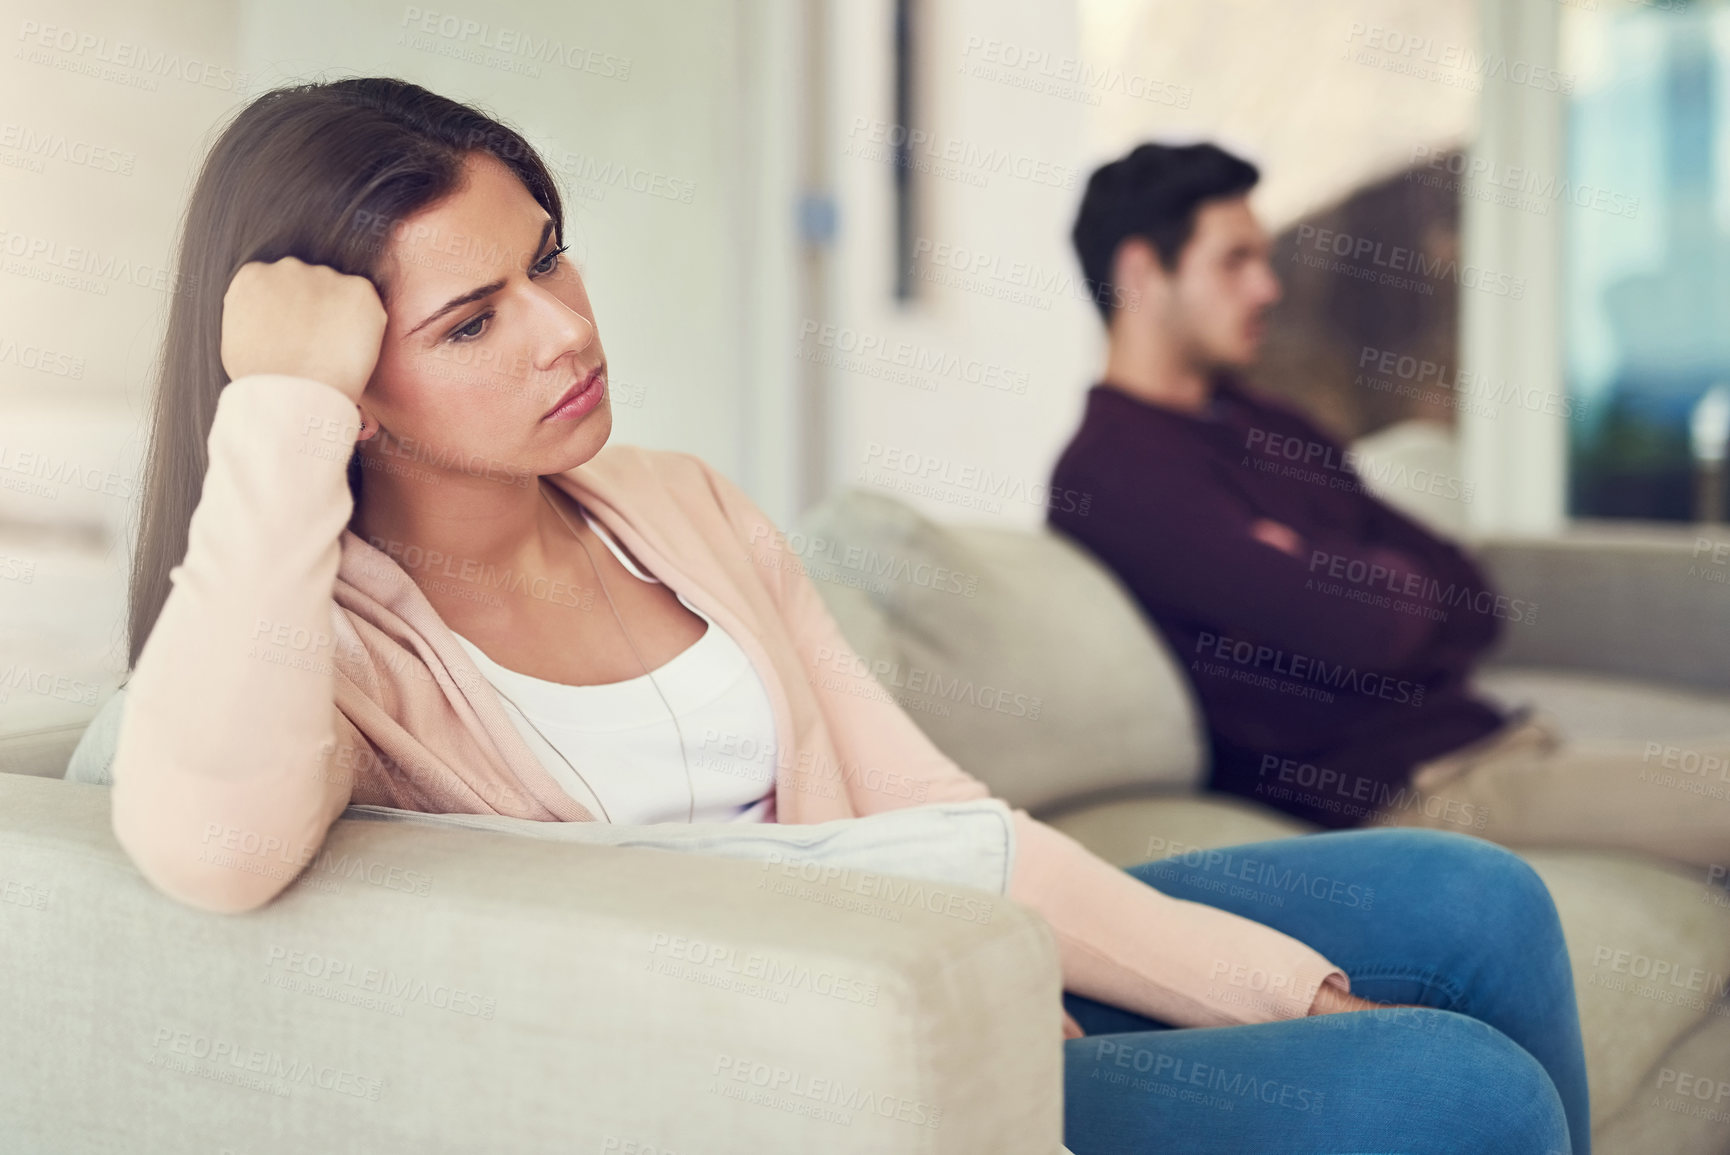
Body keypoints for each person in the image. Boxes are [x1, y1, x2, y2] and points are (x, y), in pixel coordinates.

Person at [107, 79, 1587, 1153]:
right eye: (471, 319)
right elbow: (211, 849)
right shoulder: (326, 641)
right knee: (1459, 1097)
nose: (565, 328)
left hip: (923, 942)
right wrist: (281, 408)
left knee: (1477, 896)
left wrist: (1165, 978)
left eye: (547, 253)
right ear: (355, 394)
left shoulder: (673, 499)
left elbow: (921, 806)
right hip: (806, 1062)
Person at [1047, 140, 1730, 872]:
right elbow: (1363, 630)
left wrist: (1327, 568)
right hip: (1413, 793)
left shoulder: (1267, 422)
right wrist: (1365, 582)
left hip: (1492, 742)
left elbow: (1472, 596)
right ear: (1140, 273)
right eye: (1234, 260)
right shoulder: (1114, 473)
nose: (1267, 288)